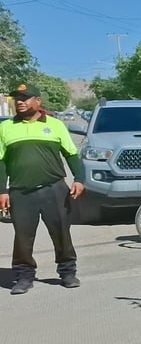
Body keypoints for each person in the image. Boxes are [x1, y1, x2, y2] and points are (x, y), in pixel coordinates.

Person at [0, 83, 85, 294]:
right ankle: (23, 276)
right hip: (21, 192)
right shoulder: (6, 127)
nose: (19, 102)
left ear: (38, 101)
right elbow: (1, 162)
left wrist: (79, 179)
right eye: (17, 99)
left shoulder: (55, 125)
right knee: (23, 236)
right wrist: (2, 190)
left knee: (61, 232)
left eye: (25, 98)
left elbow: (71, 154)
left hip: (53, 189)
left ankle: (67, 273)